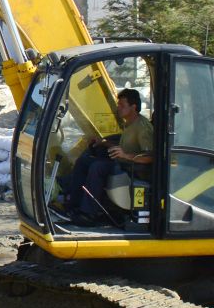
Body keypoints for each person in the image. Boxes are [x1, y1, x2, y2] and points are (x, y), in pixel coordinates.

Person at [59, 88, 153, 226]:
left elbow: (151, 156)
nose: (118, 108)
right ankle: (74, 204)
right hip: (122, 162)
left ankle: (89, 214)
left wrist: (126, 156)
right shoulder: (129, 124)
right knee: (84, 161)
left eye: (122, 105)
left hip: (131, 169)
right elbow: (124, 145)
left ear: (133, 107)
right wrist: (103, 143)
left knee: (98, 167)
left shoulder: (143, 127)